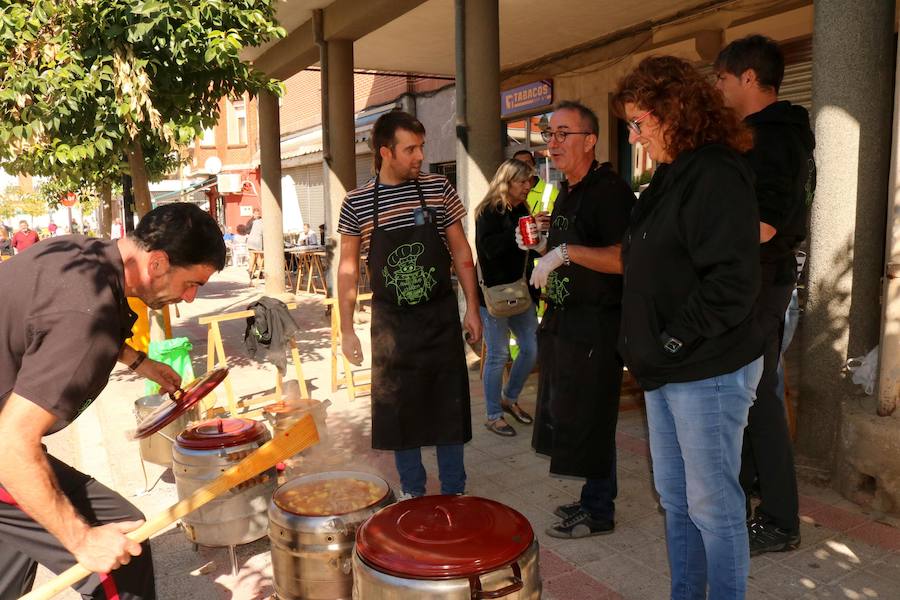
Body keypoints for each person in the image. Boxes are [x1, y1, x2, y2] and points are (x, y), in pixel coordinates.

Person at [0, 202, 225, 599]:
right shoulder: (88, 318)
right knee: (123, 546)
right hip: (5, 446)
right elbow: (12, 446)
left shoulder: (84, 255)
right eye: (192, 283)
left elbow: (52, 324)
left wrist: (138, 361)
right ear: (157, 263)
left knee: (15, 549)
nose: (190, 297)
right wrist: (82, 540)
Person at [614, 56, 764, 599]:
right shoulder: (668, 179)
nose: (634, 135)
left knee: (713, 508)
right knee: (676, 501)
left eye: (639, 122)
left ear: (673, 112)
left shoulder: (716, 172)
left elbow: (731, 282)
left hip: (707, 368)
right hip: (666, 371)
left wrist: (672, 339)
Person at [337, 110, 481, 499]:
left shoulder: (438, 189)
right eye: (410, 149)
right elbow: (348, 270)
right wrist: (346, 328)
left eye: (421, 148)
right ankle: (413, 494)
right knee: (399, 410)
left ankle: (454, 492)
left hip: (439, 318)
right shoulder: (357, 202)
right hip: (391, 326)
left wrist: (472, 306)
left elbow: (461, 250)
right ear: (386, 152)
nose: (420, 156)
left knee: (448, 405)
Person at [715, 34, 815, 557]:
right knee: (751, 396)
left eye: (724, 79)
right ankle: (756, 495)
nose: (719, 88)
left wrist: (700, 235)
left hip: (762, 284)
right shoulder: (766, 133)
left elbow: (767, 225)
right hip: (759, 285)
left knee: (758, 400)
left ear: (749, 78)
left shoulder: (774, 138)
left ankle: (779, 520)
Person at [523, 101, 634, 539]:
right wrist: (538, 244)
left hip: (597, 326)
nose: (553, 143)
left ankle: (600, 510)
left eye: (563, 134)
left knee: (594, 417)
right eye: (549, 134)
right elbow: (566, 248)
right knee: (572, 414)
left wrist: (565, 252)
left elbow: (626, 258)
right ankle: (591, 496)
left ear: (590, 140)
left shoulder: (610, 192)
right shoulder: (567, 189)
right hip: (565, 323)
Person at [475, 159, 539, 437]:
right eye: (522, 181)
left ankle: (508, 397)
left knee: (531, 347)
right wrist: (514, 236)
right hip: (494, 295)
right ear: (507, 181)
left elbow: (527, 250)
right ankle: (493, 415)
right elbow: (487, 250)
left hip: (520, 290)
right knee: (498, 354)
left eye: (530, 181)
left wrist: (538, 235)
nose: (528, 186)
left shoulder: (522, 208)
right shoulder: (488, 211)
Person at [513, 149, 558, 216]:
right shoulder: (510, 191)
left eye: (527, 163)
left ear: (534, 165)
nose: (523, 167)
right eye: (519, 164)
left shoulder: (551, 191)